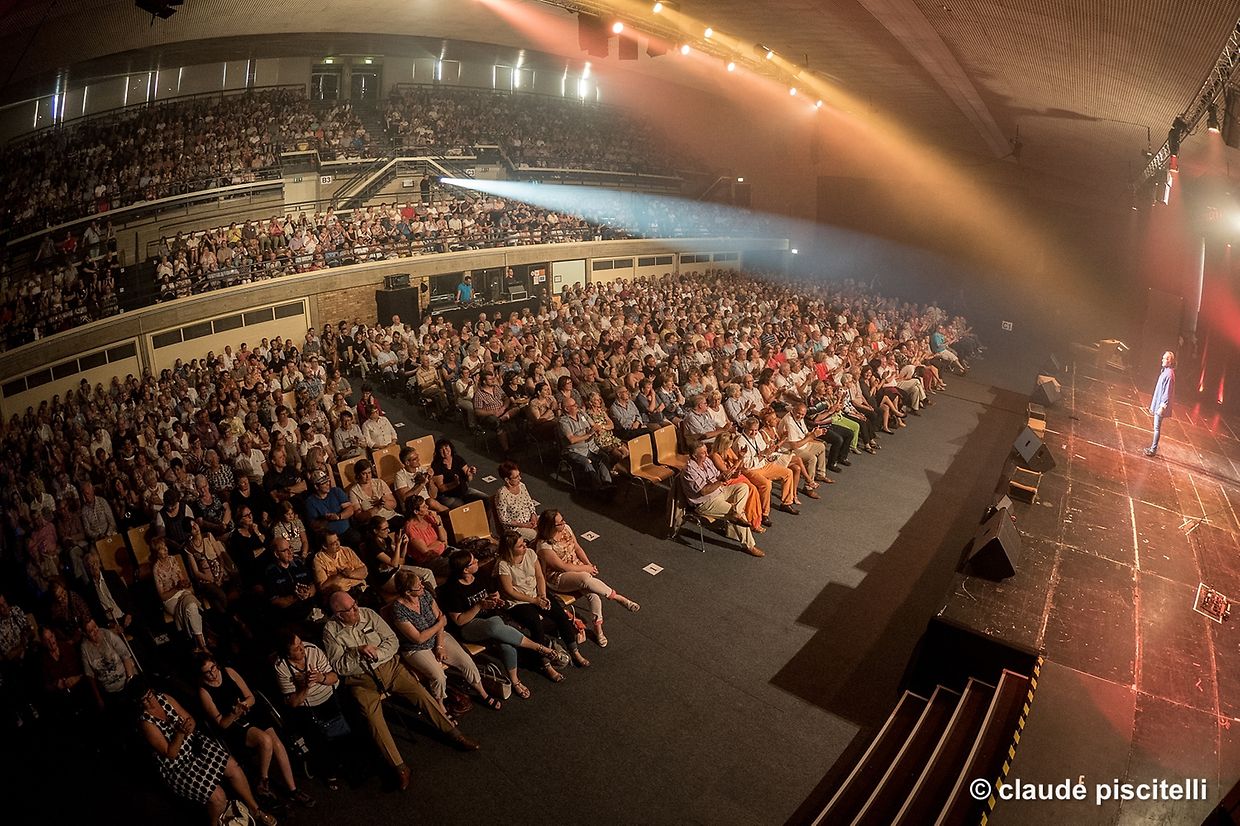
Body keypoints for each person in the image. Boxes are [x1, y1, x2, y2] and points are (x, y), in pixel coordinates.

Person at [321, 590, 479, 790]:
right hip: (361, 680)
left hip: (391, 668)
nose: (356, 610)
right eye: (350, 609)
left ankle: (454, 733)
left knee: (422, 694)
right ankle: (399, 766)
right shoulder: (330, 631)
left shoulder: (368, 614)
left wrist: (377, 653)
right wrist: (357, 652)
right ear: (338, 614)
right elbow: (340, 667)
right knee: (372, 718)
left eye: (355, 604)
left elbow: (392, 641)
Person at [136, 678, 278, 826]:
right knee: (218, 797)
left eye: (149, 696)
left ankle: (255, 809)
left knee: (233, 767)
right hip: (178, 765)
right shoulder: (146, 722)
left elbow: (190, 719)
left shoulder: (165, 698)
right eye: (143, 701)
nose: (148, 702)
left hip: (194, 745)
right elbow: (170, 753)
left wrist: (188, 726)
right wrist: (179, 733)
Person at [439, 549, 567, 700]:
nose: (477, 563)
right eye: (473, 562)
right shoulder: (451, 589)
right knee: (493, 627)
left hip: (491, 618)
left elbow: (494, 594)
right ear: (465, 569)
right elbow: (459, 620)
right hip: (469, 626)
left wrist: (496, 600)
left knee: (506, 643)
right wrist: (479, 606)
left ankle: (515, 681)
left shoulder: (480, 575)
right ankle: (539, 647)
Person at [197, 654, 313, 808]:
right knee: (265, 740)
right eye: (207, 672)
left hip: (250, 712)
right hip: (233, 724)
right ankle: (263, 781)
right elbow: (221, 723)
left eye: (213, 668)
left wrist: (244, 705)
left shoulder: (228, 672)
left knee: (277, 743)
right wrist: (234, 713)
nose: (213, 673)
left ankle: (292, 789)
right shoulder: (204, 692)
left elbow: (251, 696)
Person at [389, 569, 500, 712]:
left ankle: (482, 693)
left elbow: (442, 618)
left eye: (421, 583)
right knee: (438, 676)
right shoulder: (398, 610)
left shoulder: (425, 595)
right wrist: (439, 624)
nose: (423, 586)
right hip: (416, 648)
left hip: (438, 637)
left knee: (466, 661)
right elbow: (418, 638)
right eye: (418, 586)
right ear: (408, 592)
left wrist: (440, 645)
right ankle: (440, 705)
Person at [535, 509, 638, 648]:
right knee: (585, 578)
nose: (564, 524)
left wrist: (588, 564)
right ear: (550, 527)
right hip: (558, 578)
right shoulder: (544, 546)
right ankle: (618, 598)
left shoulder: (567, 529)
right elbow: (563, 567)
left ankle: (598, 631)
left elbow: (577, 548)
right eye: (560, 523)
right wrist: (586, 569)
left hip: (578, 570)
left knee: (594, 595)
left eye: (563, 520)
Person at [496, 531, 589, 675]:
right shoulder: (503, 564)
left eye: (524, 543)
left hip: (537, 594)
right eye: (520, 546)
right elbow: (510, 591)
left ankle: (574, 650)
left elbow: (539, 576)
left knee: (560, 614)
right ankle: (546, 664)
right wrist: (535, 601)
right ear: (510, 549)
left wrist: (543, 596)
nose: (525, 546)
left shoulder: (530, 554)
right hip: (519, 601)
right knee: (535, 624)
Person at [273, 631, 352, 790]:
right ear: (287, 653)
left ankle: (348, 762)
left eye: (301, 643)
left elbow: (334, 677)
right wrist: (304, 687)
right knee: (316, 738)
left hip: (328, 697)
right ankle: (329, 771)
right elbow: (293, 702)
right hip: (306, 706)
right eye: (296, 648)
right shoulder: (281, 667)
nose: (302, 649)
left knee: (341, 732)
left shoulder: (313, 650)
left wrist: (320, 678)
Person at [682, 442, 764, 557]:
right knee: (738, 515)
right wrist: (720, 481)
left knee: (743, 487)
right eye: (703, 453)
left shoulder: (707, 461)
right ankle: (749, 546)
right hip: (706, 502)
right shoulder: (689, 470)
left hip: (719, 491)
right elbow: (704, 491)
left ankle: (737, 513)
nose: (707, 454)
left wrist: (732, 473)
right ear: (694, 456)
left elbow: (719, 475)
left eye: (706, 451)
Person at [150, 536, 209, 651]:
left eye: (165, 547)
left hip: (182, 593)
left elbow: (182, 580)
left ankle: (199, 645)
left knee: (191, 606)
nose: (166, 549)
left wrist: (185, 584)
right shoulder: (156, 569)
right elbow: (162, 596)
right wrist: (176, 588)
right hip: (170, 599)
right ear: (157, 552)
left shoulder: (173, 559)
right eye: (162, 549)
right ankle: (203, 641)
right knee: (190, 606)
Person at [430, 438, 487, 508]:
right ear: (438, 452)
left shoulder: (457, 459)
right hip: (447, 495)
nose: (445, 451)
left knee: (485, 498)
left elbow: (469, 478)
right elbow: (442, 488)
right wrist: (454, 483)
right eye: (441, 449)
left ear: (450, 447)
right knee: (461, 507)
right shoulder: (436, 465)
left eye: (446, 447)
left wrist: (469, 474)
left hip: (464, 490)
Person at [494, 461, 540, 540]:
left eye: (519, 475)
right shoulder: (502, 494)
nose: (520, 478)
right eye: (516, 477)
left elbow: (530, 503)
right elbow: (503, 519)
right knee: (537, 535)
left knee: (550, 523)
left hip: (529, 521)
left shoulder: (522, 486)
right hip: (516, 528)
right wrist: (524, 525)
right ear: (507, 480)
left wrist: (533, 515)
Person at [1144, 350, 1176, 457]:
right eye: (1163, 358)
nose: (1163, 360)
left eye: (1166, 358)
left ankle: (1153, 449)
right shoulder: (1165, 371)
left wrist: (1162, 407)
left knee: (1157, 428)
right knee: (1156, 427)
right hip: (1158, 403)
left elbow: (1167, 392)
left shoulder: (1169, 375)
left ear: (1170, 361)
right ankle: (1153, 448)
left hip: (1161, 406)